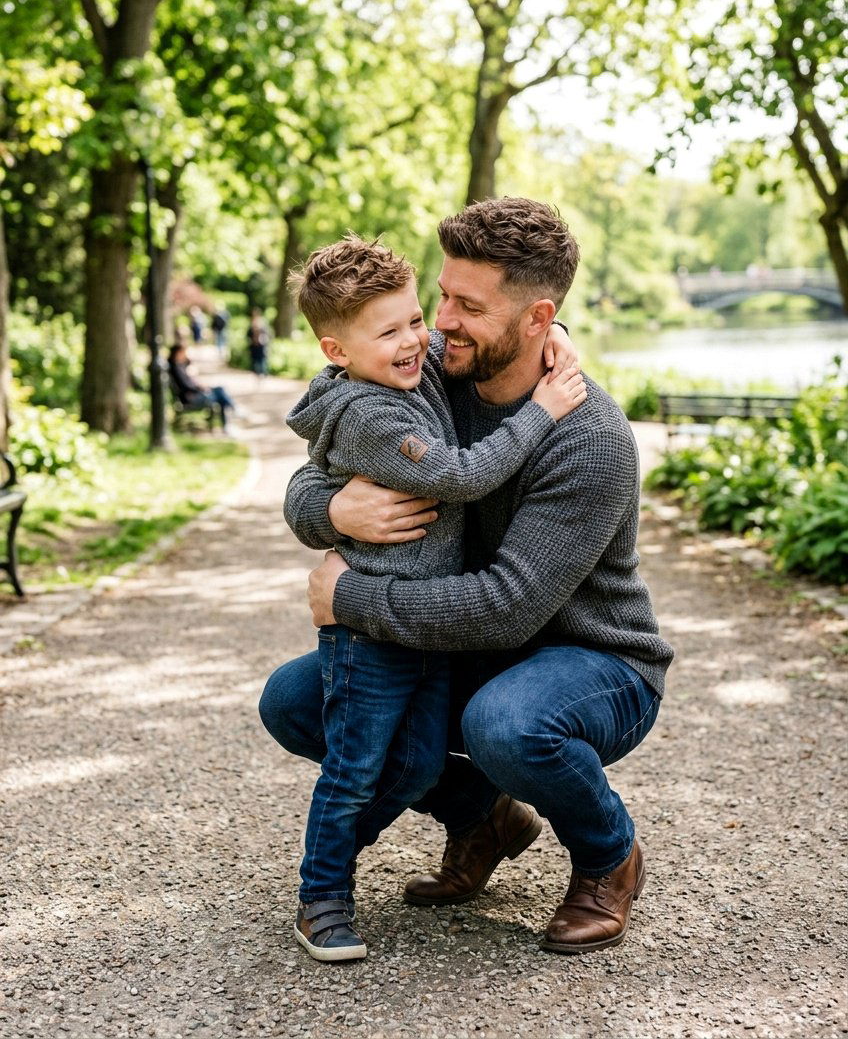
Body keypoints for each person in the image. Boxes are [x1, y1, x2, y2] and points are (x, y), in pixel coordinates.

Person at [260, 197, 674, 957]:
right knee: (294, 701)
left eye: (465, 306)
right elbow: (312, 472)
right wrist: (334, 513)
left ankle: (609, 855)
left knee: (507, 724)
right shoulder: (434, 378)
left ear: (536, 318)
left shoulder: (591, 439)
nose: (439, 322)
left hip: (593, 661)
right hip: (471, 654)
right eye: (441, 297)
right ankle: (480, 817)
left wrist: (347, 595)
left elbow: (505, 609)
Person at [167, 343, 237, 433]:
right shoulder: (176, 369)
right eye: (184, 353)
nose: (185, 355)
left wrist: (201, 387)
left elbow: (189, 363)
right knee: (219, 397)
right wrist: (200, 388)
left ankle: (232, 412)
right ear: (178, 353)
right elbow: (185, 386)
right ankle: (231, 415)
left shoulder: (179, 366)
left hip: (194, 394)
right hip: (190, 399)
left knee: (220, 389)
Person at [247, 307, 270, 377]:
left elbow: (266, 333)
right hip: (255, 345)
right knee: (256, 359)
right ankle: (258, 372)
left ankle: (263, 372)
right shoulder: (253, 322)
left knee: (262, 359)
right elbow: (249, 333)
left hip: (261, 344)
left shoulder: (262, 322)